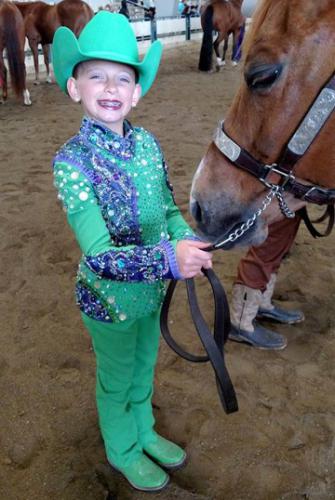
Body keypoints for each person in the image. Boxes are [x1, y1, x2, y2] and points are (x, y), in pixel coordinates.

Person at [51, 11, 212, 493]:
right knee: (117, 377)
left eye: (123, 77)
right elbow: (99, 255)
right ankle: (121, 450)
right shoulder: (70, 162)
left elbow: (165, 208)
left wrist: (188, 238)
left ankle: (143, 431)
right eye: (96, 74)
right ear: (75, 86)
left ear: (137, 91)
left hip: (150, 294)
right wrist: (168, 259)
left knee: (145, 366)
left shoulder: (146, 143)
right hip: (108, 299)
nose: (110, 86)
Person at [229, 216, 304, 350]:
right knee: (268, 245)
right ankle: (241, 324)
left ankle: (261, 304)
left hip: (291, 198)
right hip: (279, 197)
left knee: (279, 243)